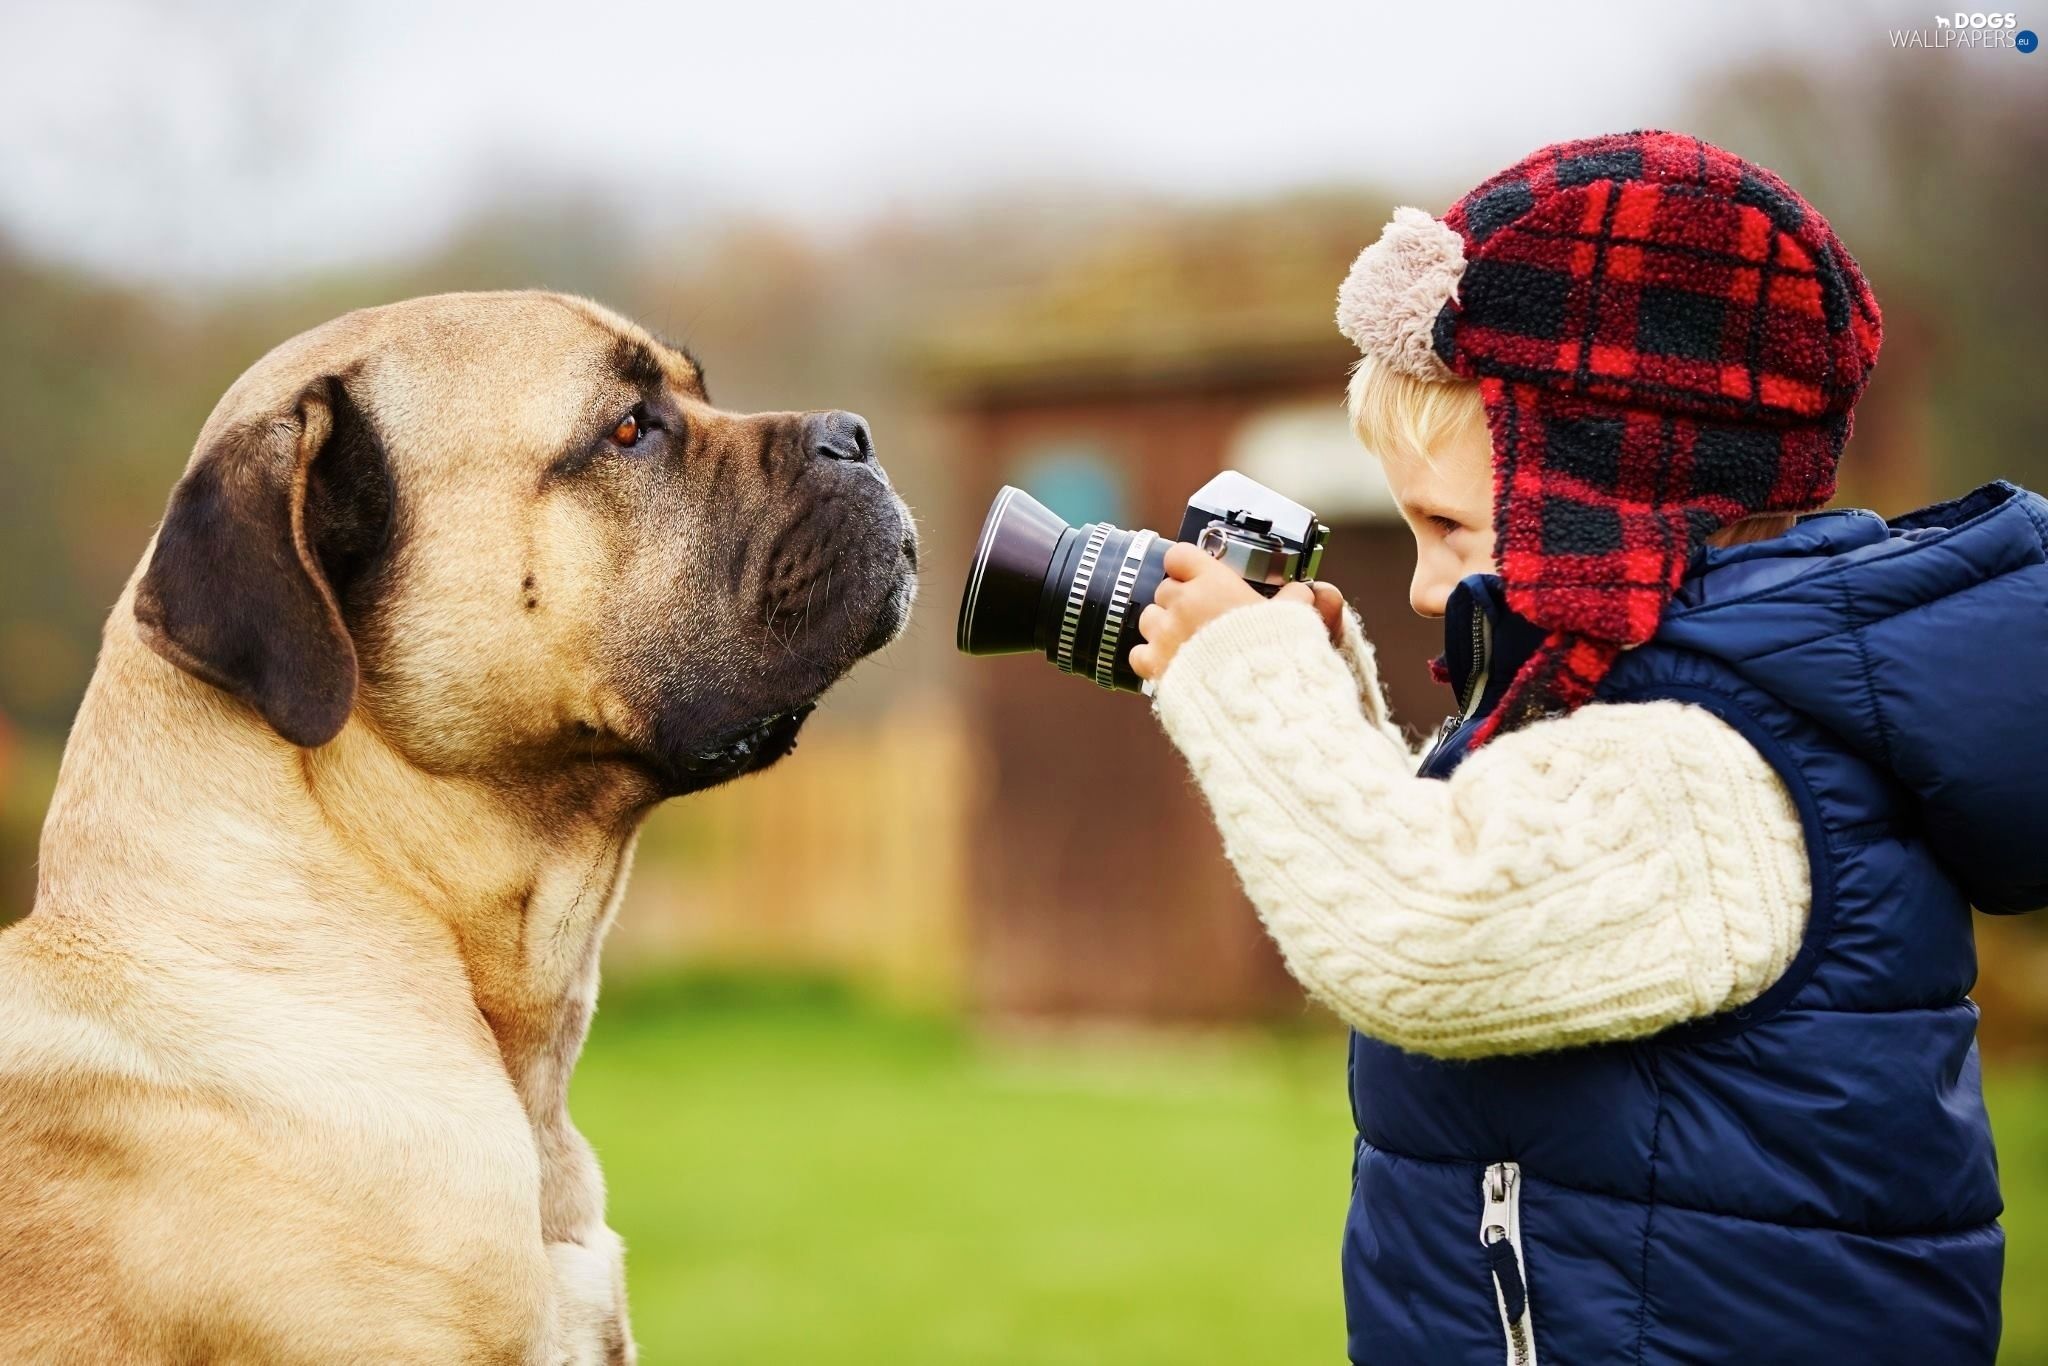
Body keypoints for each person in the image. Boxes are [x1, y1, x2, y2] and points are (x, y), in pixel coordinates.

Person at [1130, 130, 2047, 1365]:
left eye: (1447, 525)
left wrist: (1248, 682)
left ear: (1600, 494)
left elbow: (1421, 924)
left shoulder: (1710, 767)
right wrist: (1337, 716)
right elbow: (1498, 867)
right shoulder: (1698, 712)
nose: (1419, 586)